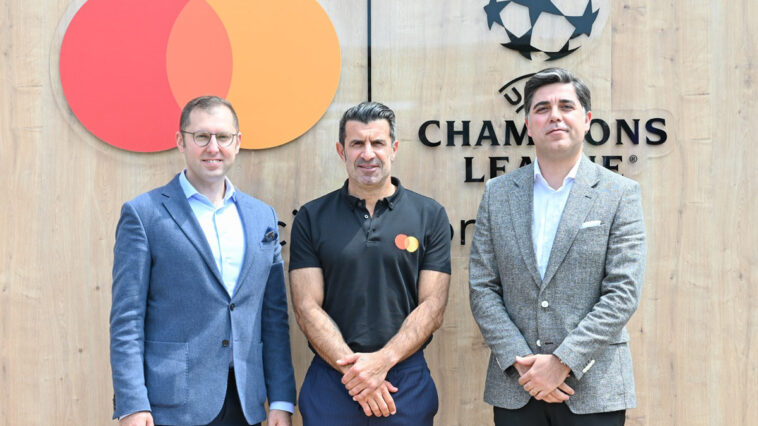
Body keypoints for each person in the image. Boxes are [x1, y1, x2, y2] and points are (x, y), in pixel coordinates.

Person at [469, 68, 646, 426]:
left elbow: (623, 292)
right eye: (542, 108)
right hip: (517, 385)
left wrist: (563, 361)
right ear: (528, 125)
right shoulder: (498, 194)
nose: (555, 116)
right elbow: (482, 287)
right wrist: (522, 361)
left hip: (594, 390)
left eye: (566, 106)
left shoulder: (620, 194)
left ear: (587, 119)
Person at [110, 96, 296, 426]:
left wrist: (281, 398)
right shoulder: (144, 214)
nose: (213, 147)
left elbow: (273, 316)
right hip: (172, 406)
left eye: (223, 137)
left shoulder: (262, 217)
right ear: (181, 141)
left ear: (237, 142)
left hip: (246, 403)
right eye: (201, 136)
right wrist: (132, 403)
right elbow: (127, 319)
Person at [289, 101, 451, 425]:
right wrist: (358, 373)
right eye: (356, 144)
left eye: (377, 143)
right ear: (341, 150)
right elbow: (306, 308)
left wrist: (382, 362)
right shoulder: (311, 217)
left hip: (404, 380)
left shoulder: (429, 215)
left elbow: (433, 307)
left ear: (394, 148)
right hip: (332, 379)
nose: (367, 154)